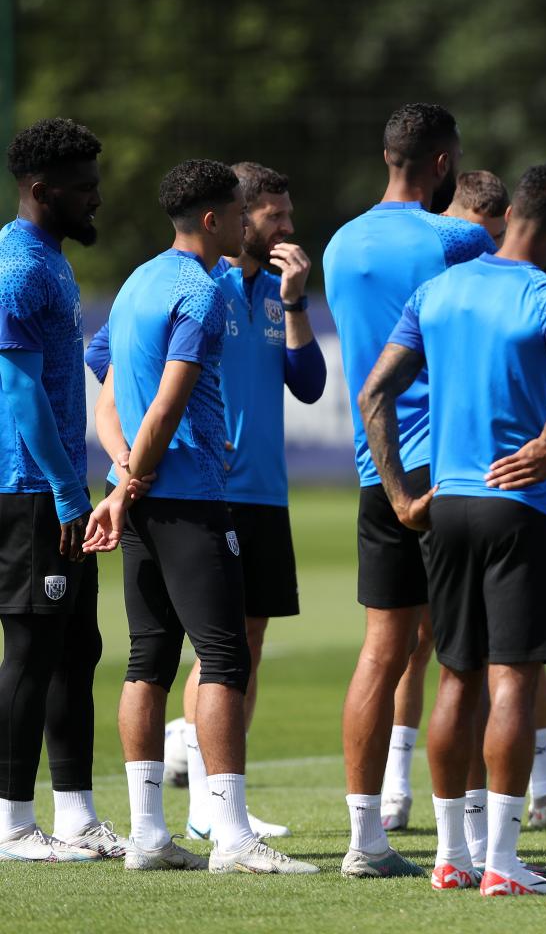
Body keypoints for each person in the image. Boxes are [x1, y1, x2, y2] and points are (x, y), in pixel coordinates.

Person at [361, 164, 546, 895]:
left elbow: (375, 391)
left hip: (447, 504)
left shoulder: (438, 291)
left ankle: (450, 857)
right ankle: (502, 861)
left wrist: (401, 495)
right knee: (513, 681)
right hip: (515, 505)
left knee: (455, 678)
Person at [83, 159, 317, 874]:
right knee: (223, 658)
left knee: (147, 660)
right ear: (214, 218)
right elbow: (167, 402)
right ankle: (234, 837)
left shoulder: (135, 282)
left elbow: (112, 398)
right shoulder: (198, 292)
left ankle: (150, 835)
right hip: (189, 496)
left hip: (151, 493)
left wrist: (123, 472)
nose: (253, 225)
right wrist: (128, 486)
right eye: (242, 213)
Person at [323, 103, 494, 874]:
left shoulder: (338, 244)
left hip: (376, 464)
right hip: (453, 464)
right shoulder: (457, 238)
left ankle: (365, 839)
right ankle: (476, 842)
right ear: (440, 164)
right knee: (469, 656)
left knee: (382, 652)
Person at [0, 118, 122, 863]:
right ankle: (12, 824)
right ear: (43, 193)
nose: (97, 200)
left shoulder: (50, 260)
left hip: (55, 490)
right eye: (83, 189)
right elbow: (19, 395)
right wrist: (68, 494)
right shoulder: (18, 269)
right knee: (31, 649)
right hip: (29, 491)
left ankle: (75, 814)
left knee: (78, 648)